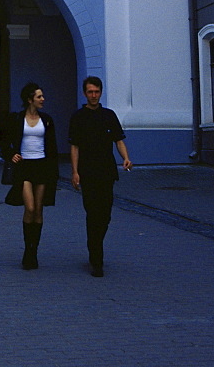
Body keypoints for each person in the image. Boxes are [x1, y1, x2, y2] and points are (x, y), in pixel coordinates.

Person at [69, 76, 132, 277]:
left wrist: (126, 158)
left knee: (105, 215)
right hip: (87, 172)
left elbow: (118, 140)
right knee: (92, 213)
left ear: (101, 92)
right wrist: (75, 172)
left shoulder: (109, 115)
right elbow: (75, 146)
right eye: (90, 92)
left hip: (106, 171)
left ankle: (94, 243)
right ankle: (96, 257)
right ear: (84, 93)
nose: (94, 95)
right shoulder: (78, 117)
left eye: (96, 92)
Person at [3, 82, 59, 270]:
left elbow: (52, 146)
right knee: (30, 207)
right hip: (24, 166)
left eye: (42, 96)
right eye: (39, 97)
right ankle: (28, 249)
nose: (43, 99)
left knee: (39, 210)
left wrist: (55, 170)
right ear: (30, 99)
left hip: (42, 166)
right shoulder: (18, 118)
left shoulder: (47, 120)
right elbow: (6, 140)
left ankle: (34, 251)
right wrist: (11, 154)